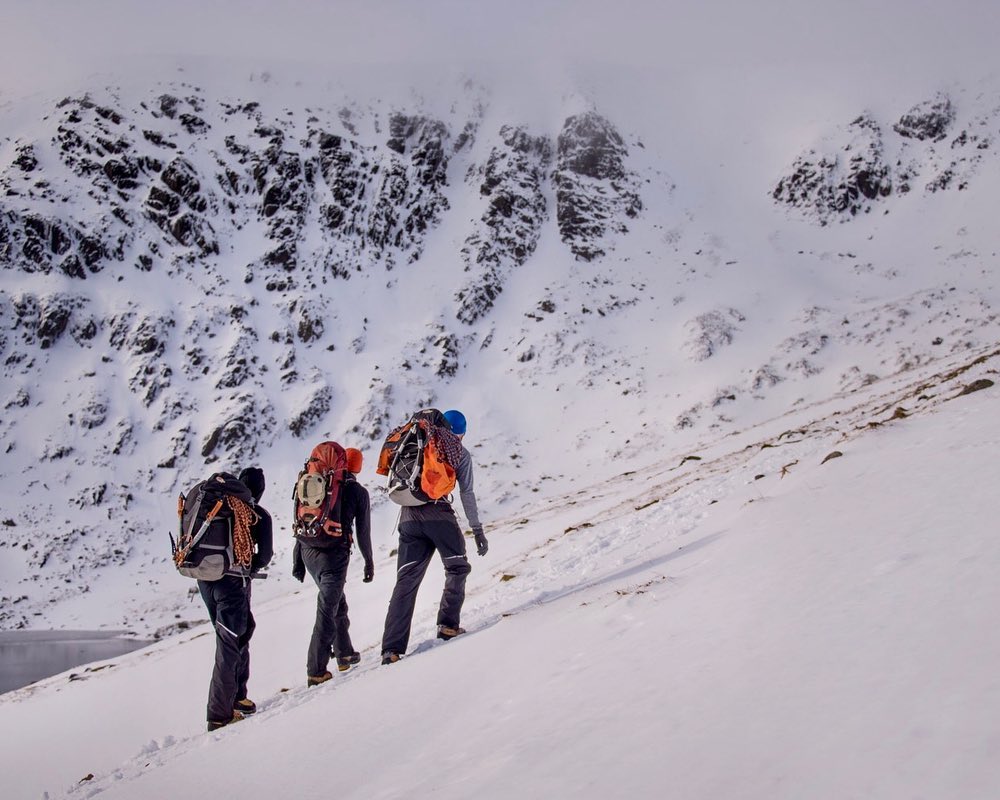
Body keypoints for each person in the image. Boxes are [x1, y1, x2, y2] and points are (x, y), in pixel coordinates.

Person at [381, 409, 488, 664]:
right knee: (457, 567)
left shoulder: (415, 441)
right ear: (460, 432)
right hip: (438, 515)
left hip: (408, 516)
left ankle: (391, 649)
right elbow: (467, 493)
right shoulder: (457, 450)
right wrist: (477, 530)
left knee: (405, 582)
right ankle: (448, 625)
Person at [199, 466, 273, 732]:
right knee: (229, 644)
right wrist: (248, 567)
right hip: (232, 583)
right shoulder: (257, 515)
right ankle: (219, 714)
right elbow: (264, 556)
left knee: (241, 633)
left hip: (206, 579)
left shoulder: (218, 507)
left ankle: (238, 696)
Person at [294, 447, 374, 686]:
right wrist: (369, 561)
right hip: (334, 555)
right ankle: (316, 669)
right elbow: (363, 531)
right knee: (327, 609)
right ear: (357, 467)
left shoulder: (317, 483)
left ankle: (344, 652)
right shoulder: (357, 492)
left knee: (336, 601)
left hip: (308, 551)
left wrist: (298, 562)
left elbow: (303, 519)